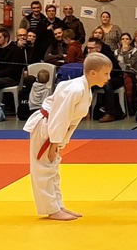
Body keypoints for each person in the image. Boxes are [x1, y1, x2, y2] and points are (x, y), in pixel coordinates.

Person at [26, 52, 112, 221]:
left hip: (54, 129)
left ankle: (57, 205)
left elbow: (69, 121)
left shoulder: (85, 89)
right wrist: (54, 141)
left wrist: (61, 142)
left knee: (53, 168)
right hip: (47, 128)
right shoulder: (76, 89)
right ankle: (51, 209)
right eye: (106, 73)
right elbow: (60, 116)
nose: (108, 78)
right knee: (44, 169)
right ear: (93, 73)